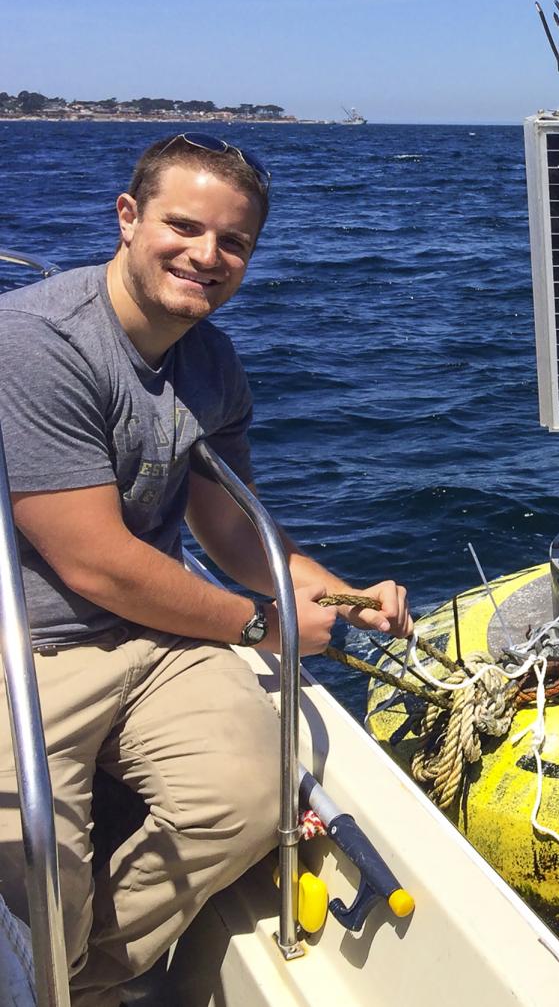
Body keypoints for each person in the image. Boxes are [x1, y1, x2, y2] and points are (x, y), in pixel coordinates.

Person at [0, 134, 413, 1006]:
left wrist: (342, 593)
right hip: (26, 647)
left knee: (254, 790)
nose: (206, 256)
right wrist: (263, 625)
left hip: (154, 638)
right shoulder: (38, 345)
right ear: (127, 217)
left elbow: (230, 528)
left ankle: (82, 983)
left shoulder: (211, 361)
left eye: (233, 242)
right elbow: (96, 561)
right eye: (183, 226)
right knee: (42, 867)